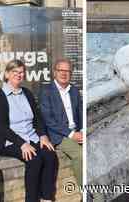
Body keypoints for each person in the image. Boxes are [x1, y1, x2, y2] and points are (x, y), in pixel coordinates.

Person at [0, 59, 58, 202]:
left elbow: (37, 118)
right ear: (7, 74)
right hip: (10, 141)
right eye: (15, 71)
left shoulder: (26, 93)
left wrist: (43, 136)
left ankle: (47, 198)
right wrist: (22, 144)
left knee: (50, 155)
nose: (19, 74)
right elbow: (1, 127)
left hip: (31, 137)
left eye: (21, 72)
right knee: (34, 160)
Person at [39, 58, 82, 186]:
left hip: (77, 131)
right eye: (60, 70)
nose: (64, 73)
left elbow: (80, 113)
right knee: (80, 155)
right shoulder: (46, 91)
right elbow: (48, 120)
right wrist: (71, 134)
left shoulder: (74, 90)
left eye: (67, 71)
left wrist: (82, 131)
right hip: (59, 135)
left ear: (71, 74)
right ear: (54, 72)